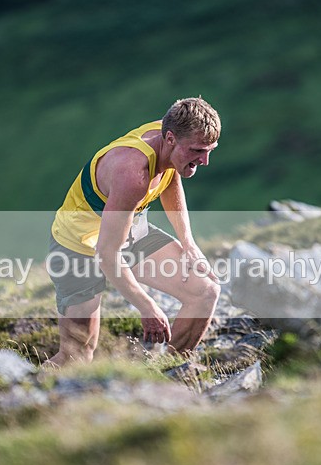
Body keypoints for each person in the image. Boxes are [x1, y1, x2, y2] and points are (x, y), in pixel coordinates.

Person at [47, 97, 222, 366]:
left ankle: (168, 375)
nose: (205, 160)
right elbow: (106, 255)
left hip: (127, 233)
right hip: (78, 247)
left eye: (210, 150)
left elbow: (171, 175)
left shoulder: (168, 138)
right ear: (171, 138)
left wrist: (188, 243)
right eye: (198, 150)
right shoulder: (133, 174)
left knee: (205, 292)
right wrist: (146, 305)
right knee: (77, 355)